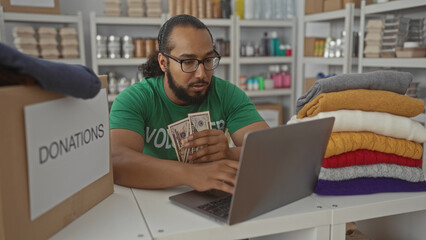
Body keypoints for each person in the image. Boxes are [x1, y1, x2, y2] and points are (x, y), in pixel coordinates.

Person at [110, 14, 269, 194]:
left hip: (211, 199)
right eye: (188, 62)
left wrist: (228, 153)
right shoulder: (136, 98)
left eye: (208, 60)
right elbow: (116, 161)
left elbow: (269, 150)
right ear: (164, 62)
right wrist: (191, 174)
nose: (201, 73)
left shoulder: (228, 94)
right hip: (151, 201)